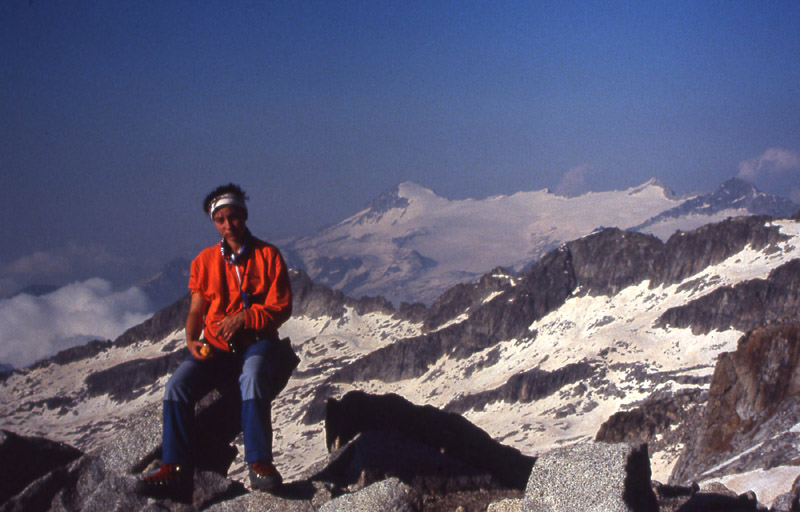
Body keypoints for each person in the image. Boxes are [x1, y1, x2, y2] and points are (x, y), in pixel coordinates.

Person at [136, 183, 293, 497]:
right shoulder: (204, 261)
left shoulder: (268, 255)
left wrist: (245, 318)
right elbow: (197, 309)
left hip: (256, 341)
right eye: (220, 220)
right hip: (217, 344)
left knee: (252, 377)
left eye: (233, 217)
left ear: (244, 216)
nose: (228, 225)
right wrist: (192, 339)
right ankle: (174, 469)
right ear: (214, 223)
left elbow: (281, 308)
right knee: (177, 385)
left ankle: (259, 463)